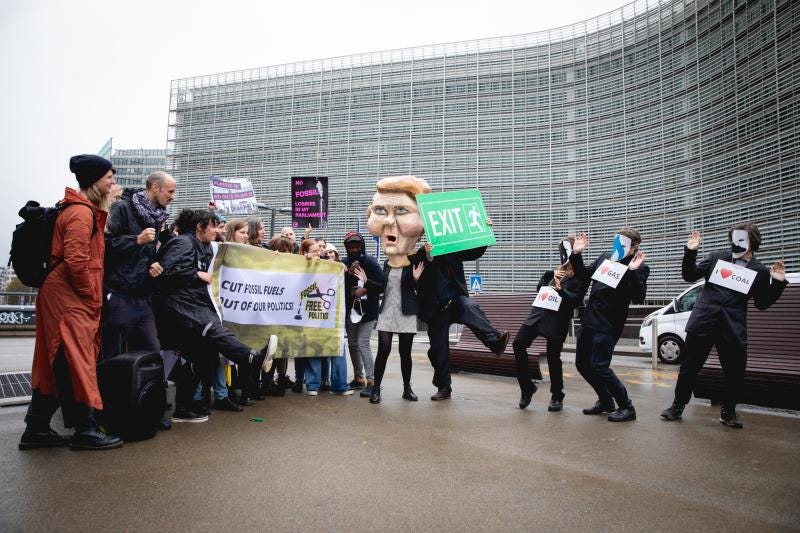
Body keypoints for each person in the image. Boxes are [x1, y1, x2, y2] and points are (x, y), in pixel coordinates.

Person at [20, 154, 122, 450]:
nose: (113, 182)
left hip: (62, 292)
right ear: (94, 180)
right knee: (75, 359)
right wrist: (91, 295)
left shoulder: (80, 209)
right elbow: (76, 260)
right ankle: (85, 429)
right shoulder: (81, 213)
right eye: (108, 177)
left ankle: (37, 427)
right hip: (69, 295)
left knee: (58, 359)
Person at [661, 224, 787, 428]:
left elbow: (762, 304)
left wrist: (778, 283)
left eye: (741, 240)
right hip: (704, 320)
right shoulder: (717, 258)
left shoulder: (760, 270)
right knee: (689, 367)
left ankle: (728, 412)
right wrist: (690, 251)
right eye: (733, 240)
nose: (735, 244)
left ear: (753, 242)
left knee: (735, 371)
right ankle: (677, 406)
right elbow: (689, 275)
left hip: (732, 326)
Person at [155, 210, 272, 422]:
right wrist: (195, 274)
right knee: (213, 333)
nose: (217, 230)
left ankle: (183, 409)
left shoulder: (205, 246)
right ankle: (250, 357)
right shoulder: (183, 243)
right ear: (199, 227)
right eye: (213, 226)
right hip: (180, 310)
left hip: (193, 307)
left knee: (200, 361)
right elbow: (166, 272)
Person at [416, 221, 510, 401]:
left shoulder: (454, 249)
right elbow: (418, 268)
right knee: (438, 351)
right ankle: (444, 387)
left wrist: (485, 230)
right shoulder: (423, 252)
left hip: (455, 301)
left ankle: (495, 342)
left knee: (471, 306)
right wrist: (428, 255)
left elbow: (475, 251)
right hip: (436, 309)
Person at [361, 175, 431, 404]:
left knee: (405, 353)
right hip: (387, 311)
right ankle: (377, 389)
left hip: (407, 311)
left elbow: (420, 286)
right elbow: (381, 286)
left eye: (401, 211)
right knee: (383, 348)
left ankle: (407, 388)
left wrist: (417, 279)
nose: (390, 222)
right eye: (380, 211)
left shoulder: (418, 259)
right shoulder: (385, 263)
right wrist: (365, 282)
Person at [101, 171, 176, 362]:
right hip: (118, 294)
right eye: (170, 191)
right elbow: (104, 245)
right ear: (154, 188)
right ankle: (104, 391)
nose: (172, 197)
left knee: (151, 352)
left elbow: (147, 254)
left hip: (143, 297)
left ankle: (137, 392)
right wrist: (136, 240)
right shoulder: (122, 208)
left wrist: (153, 264)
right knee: (111, 353)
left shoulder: (158, 217)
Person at [575, 229, 648, 422]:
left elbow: (639, 297)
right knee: (582, 364)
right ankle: (606, 401)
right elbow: (583, 274)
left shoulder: (638, 267)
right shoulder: (605, 258)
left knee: (600, 366)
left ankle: (627, 406)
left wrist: (631, 271)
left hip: (608, 324)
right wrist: (577, 253)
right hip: (589, 320)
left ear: (634, 247)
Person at [512, 234, 588, 411]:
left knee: (553, 357)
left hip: (557, 318)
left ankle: (557, 396)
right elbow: (540, 289)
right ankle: (527, 387)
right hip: (538, 314)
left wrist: (561, 291)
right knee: (518, 344)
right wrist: (549, 275)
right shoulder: (555, 271)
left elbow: (576, 299)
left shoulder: (581, 275)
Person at [343, 232, 385, 397]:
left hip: (368, 311)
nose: (354, 249)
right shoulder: (345, 263)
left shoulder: (370, 262)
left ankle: (372, 381)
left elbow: (382, 285)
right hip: (351, 310)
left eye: (357, 246)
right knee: (352, 344)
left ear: (362, 246)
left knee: (362, 343)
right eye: (350, 246)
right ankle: (358, 377)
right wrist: (347, 274)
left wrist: (366, 286)